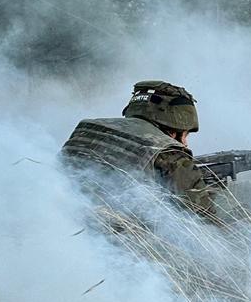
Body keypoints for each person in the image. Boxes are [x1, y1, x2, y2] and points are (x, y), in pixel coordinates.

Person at [61, 80, 218, 217]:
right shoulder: (168, 152)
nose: (185, 143)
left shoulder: (88, 127)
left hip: (64, 214)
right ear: (173, 130)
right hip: (114, 232)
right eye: (185, 135)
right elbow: (202, 218)